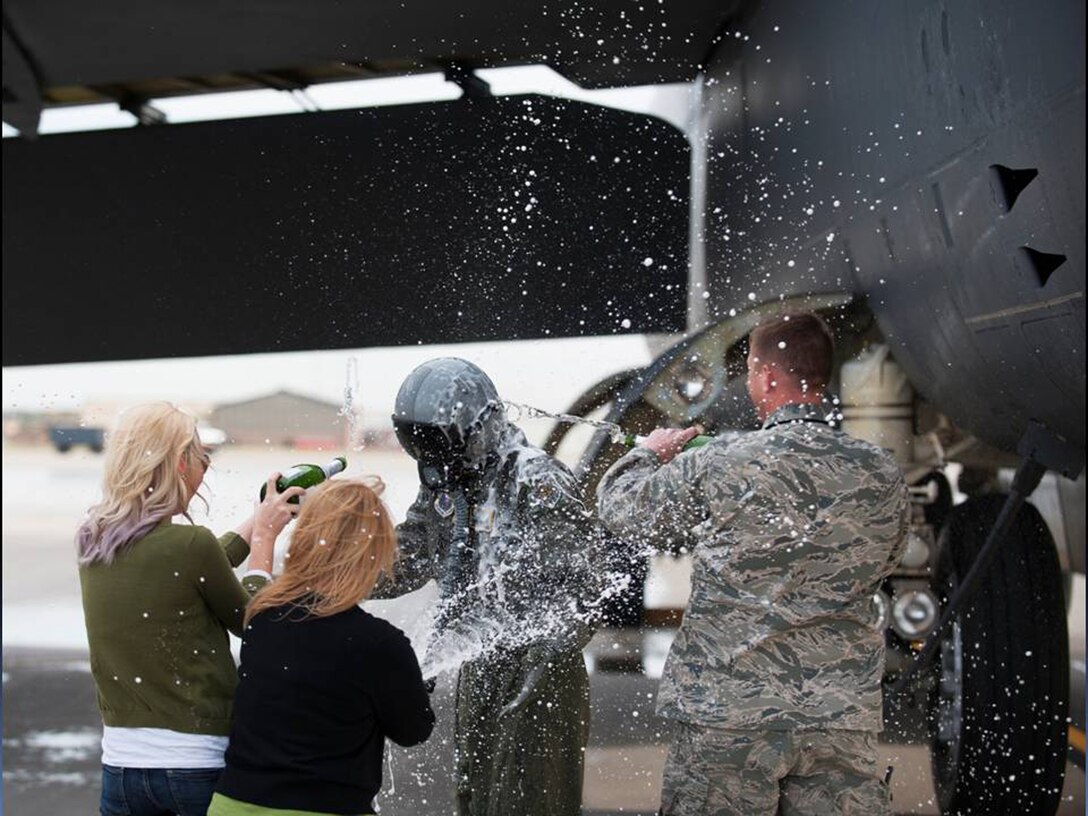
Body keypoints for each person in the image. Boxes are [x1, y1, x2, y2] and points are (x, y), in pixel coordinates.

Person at [597, 313, 910, 816]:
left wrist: (649, 455)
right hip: (837, 715)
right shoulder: (879, 472)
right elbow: (888, 558)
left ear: (766, 376)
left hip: (729, 714)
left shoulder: (722, 462)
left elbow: (622, 512)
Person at [372, 357, 606, 816]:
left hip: (540, 675)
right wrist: (335, 577)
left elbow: (582, 593)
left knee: (530, 802)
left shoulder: (538, 483)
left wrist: (535, 654)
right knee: (474, 797)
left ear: (477, 427)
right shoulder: (451, 481)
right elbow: (411, 553)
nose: (434, 463)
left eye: (440, 447)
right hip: (480, 667)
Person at [78, 401, 303, 816]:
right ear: (180, 463)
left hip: (121, 769)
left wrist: (256, 521)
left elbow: (183, 568)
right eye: (201, 454)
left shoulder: (94, 541)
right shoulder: (189, 546)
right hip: (194, 766)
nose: (206, 465)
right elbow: (258, 626)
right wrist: (265, 543)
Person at [209, 477, 435, 816]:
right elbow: (413, 730)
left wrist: (265, 534)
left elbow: (260, 588)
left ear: (304, 541)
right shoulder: (379, 644)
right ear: (374, 555)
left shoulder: (263, 619)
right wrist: (413, 687)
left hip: (234, 805)